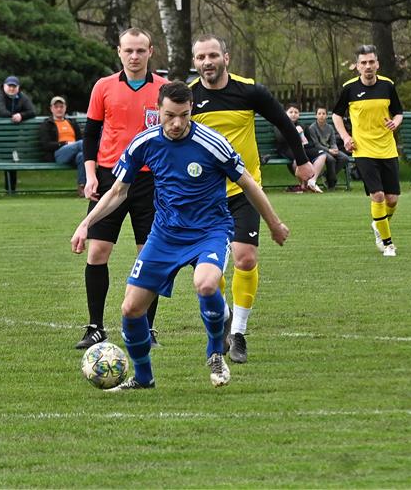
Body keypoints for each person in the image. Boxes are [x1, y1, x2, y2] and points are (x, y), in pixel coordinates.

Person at [71, 81, 289, 391]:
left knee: (206, 283)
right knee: (131, 309)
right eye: (170, 115)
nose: (177, 123)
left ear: (191, 112)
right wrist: (86, 224)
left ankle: (215, 352)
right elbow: (118, 191)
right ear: (157, 111)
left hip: (209, 231)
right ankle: (144, 378)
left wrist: (274, 223)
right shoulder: (144, 142)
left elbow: (248, 183)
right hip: (164, 235)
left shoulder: (212, 142)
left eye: (184, 115)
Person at [190, 34, 314, 364]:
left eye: (213, 55)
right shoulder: (188, 97)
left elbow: (284, 123)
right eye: (201, 57)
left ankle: (239, 333)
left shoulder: (249, 91)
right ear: (194, 62)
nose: (207, 62)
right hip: (204, 197)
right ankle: (225, 314)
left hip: (245, 190)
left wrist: (302, 161)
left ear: (226, 58)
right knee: (209, 274)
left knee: (245, 259)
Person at [75, 28, 169, 350]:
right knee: (98, 251)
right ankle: (95, 327)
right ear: (119, 52)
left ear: (150, 52)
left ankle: (147, 328)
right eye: (128, 50)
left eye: (140, 50)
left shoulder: (164, 90)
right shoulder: (103, 87)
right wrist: (90, 175)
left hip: (151, 181)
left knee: (149, 256)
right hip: (109, 178)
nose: (134, 56)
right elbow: (90, 135)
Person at [332, 44, 404, 257]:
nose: (368, 66)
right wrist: (346, 137)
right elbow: (336, 115)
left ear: (378, 64)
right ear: (357, 66)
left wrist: (395, 123)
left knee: (392, 199)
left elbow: (399, 112)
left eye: (371, 62)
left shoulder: (388, 86)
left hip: (387, 149)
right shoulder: (349, 88)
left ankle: (378, 225)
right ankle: (388, 243)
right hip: (363, 150)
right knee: (378, 195)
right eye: (363, 63)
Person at [0, 75, 36, 193]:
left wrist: (21, 115)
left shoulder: (21, 96)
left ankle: (11, 190)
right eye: (9, 86)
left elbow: (32, 111)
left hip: (11, 137)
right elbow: (0, 110)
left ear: (18, 88)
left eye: (14, 86)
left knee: (12, 162)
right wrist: (13, 116)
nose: (11, 88)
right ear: (4, 86)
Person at [274, 103, 326, 193]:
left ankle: (312, 181)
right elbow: (280, 139)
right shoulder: (280, 124)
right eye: (291, 112)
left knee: (322, 154)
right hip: (287, 149)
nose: (293, 114)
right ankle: (303, 185)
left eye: (296, 112)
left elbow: (310, 142)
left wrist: (304, 142)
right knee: (298, 159)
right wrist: (294, 132)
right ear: (285, 113)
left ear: (299, 114)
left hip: (302, 148)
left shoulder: (302, 125)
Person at [38, 95, 85, 196]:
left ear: (65, 108)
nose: (59, 109)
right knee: (81, 144)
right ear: (51, 108)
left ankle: (82, 187)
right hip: (58, 154)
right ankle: (97, 162)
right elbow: (45, 145)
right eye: (56, 107)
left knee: (82, 156)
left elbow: (79, 138)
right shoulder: (47, 124)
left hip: (75, 153)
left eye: (61, 106)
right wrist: (65, 144)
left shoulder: (72, 123)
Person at [308, 105, 351, 190]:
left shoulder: (330, 127)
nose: (321, 115)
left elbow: (333, 141)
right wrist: (329, 150)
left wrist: (335, 148)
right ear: (316, 115)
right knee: (331, 159)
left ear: (327, 115)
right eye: (319, 113)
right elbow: (316, 144)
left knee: (345, 158)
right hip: (320, 151)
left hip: (330, 149)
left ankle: (327, 175)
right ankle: (331, 183)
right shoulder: (312, 128)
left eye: (323, 113)